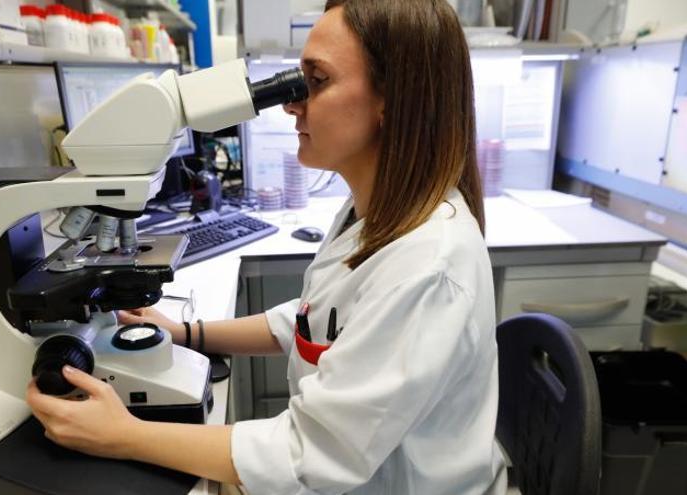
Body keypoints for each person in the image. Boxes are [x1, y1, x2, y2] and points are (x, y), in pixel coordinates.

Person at [26, 0, 507, 493]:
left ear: (394, 99)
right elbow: (311, 319)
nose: (291, 103)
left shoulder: (427, 265)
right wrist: (187, 332)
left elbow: (307, 458)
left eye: (315, 82)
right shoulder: (376, 213)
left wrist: (123, 435)